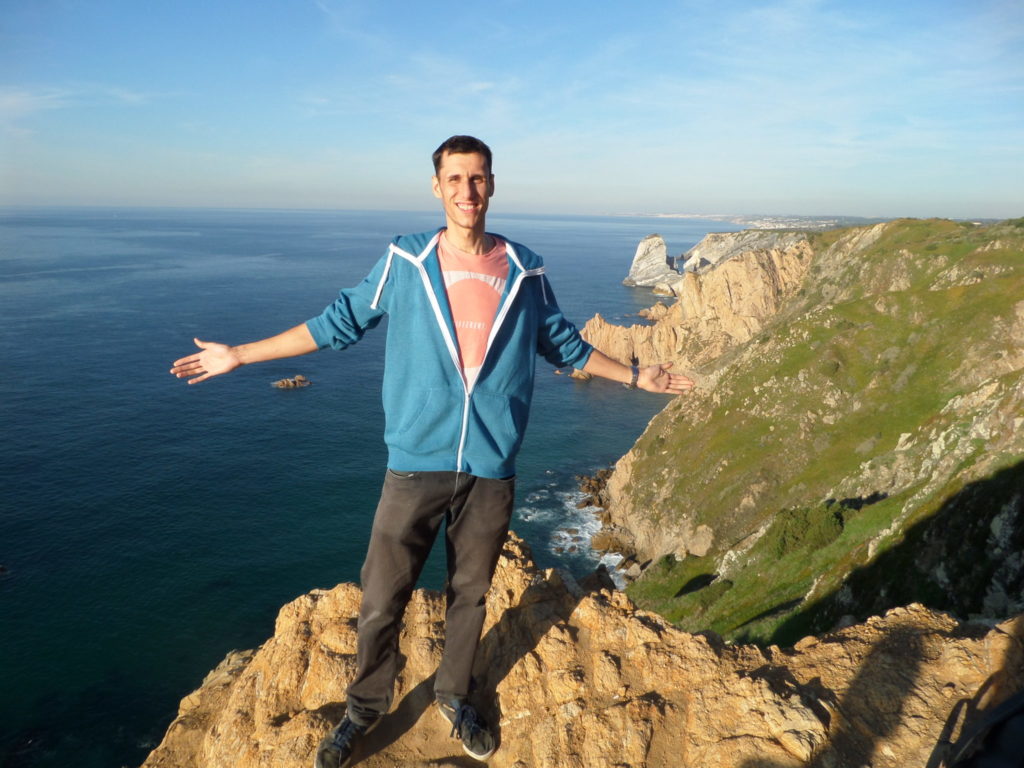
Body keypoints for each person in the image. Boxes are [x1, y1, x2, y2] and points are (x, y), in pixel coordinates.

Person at [170, 135, 694, 768]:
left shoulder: (525, 268)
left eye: (477, 179)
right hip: (414, 462)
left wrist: (639, 376)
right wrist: (241, 354)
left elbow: (565, 345)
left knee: (470, 594)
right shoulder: (407, 260)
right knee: (381, 595)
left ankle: (454, 696)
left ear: (492, 185)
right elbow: (337, 322)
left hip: (491, 466)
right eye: (455, 179)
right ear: (437, 187)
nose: (467, 191)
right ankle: (363, 709)